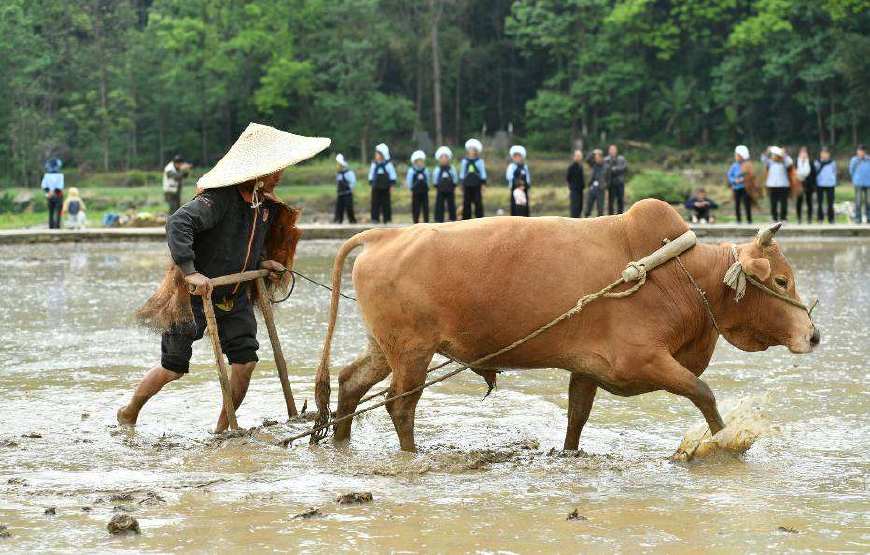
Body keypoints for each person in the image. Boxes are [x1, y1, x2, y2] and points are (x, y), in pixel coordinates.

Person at [119, 123, 328, 431]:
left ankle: (223, 429)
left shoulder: (262, 206)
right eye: (275, 170)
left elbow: (243, 244)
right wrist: (191, 272)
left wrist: (263, 262)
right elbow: (178, 223)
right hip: (194, 295)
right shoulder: (219, 200)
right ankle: (129, 412)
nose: (279, 176)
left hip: (233, 294)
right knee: (173, 368)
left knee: (246, 362)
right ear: (257, 172)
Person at [761, 146, 793, 221]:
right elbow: (763, 159)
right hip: (772, 185)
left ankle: (783, 218)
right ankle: (774, 217)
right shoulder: (770, 163)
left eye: (775, 155)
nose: (773, 156)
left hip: (783, 185)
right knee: (773, 202)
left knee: (783, 203)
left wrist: (784, 154)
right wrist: (767, 152)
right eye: (773, 155)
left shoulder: (784, 162)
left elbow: (790, 162)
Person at [368, 143, 397, 223]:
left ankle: (387, 219)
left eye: (377, 154)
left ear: (382, 155)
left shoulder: (388, 164)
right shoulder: (374, 164)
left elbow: (392, 174)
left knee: (386, 203)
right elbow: (371, 174)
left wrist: (392, 185)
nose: (376, 155)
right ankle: (375, 218)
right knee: (375, 203)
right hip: (376, 187)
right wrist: (371, 182)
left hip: (385, 187)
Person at [459, 138, 487, 219]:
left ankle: (480, 219)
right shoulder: (464, 161)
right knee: (466, 203)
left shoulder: (480, 161)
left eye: (473, 149)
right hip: (467, 185)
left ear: (476, 151)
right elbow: (462, 173)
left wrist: (483, 184)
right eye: (470, 149)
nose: (471, 151)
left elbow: (483, 173)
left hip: (477, 185)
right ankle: (466, 219)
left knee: (478, 202)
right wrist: (461, 183)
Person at [727, 145, 754, 224]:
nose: (736, 157)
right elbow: (729, 175)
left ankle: (749, 220)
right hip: (736, 188)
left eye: (737, 155)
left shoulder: (747, 165)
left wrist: (743, 179)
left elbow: (751, 175)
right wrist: (734, 180)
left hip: (745, 188)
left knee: (747, 203)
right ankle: (738, 220)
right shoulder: (734, 165)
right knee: (737, 204)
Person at [432, 146, 458, 222]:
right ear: (439, 159)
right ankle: (438, 220)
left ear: (448, 158)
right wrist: (436, 185)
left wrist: (454, 185)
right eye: (442, 157)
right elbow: (435, 178)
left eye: (445, 157)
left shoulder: (452, 168)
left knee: (451, 204)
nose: (444, 159)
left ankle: (453, 219)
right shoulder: (437, 169)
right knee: (439, 205)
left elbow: (455, 177)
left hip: (450, 189)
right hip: (440, 189)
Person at [506, 145, 531, 217]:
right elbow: (509, 177)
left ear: (522, 157)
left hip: (524, 190)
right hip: (515, 190)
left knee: (524, 207)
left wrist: (526, 186)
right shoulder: (511, 167)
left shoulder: (525, 167)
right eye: (515, 156)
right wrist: (518, 185)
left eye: (518, 156)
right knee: (515, 208)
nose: (517, 158)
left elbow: (527, 178)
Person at [795, 146, 817, 224]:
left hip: (809, 184)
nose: (803, 154)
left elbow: (814, 174)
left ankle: (809, 218)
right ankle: (799, 218)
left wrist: (814, 186)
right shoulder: (796, 162)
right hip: (799, 184)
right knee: (799, 202)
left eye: (805, 153)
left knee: (809, 201)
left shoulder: (810, 162)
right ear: (799, 154)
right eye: (802, 153)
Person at [407, 150, 430, 223]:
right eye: (418, 161)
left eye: (421, 161)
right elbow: (409, 181)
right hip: (415, 192)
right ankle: (415, 221)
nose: (420, 163)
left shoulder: (425, 170)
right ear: (415, 162)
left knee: (425, 207)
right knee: (416, 207)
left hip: (424, 192)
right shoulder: (411, 171)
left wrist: (428, 187)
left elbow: (428, 180)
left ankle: (426, 221)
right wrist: (411, 188)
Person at [815, 146, 837, 224]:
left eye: (826, 153)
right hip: (820, 184)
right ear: (820, 154)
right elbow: (815, 173)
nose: (824, 155)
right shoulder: (817, 162)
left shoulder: (832, 162)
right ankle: (820, 218)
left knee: (830, 203)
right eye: (823, 153)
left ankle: (831, 219)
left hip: (830, 184)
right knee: (820, 203)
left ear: (829, 154)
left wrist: (833, 180)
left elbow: (834, 172)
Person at [41, 157, 64, 229]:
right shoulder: (60, 175)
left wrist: (49, 192)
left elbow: (44, 186)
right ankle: (57, 226)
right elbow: (60, 186)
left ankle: (51, 227)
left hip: (49, 196)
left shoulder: (46, 175)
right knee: (58, 212)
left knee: (51, 212)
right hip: (58, 195)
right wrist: (54, 192)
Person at [604, 144, 627, 215]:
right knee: (611, 201)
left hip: (620, 183)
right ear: (609, 151)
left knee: (620, 200)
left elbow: (624, 168)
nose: (612, 151)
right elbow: (606, 170)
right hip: (611, 183)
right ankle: (610, 216)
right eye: (611, 150)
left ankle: (620, 215)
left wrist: (614, 169)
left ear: (616, 150)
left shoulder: (621, 159)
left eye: (614, 149)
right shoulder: (606, 160)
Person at [334, 154, 357, 224]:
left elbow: (353, 182)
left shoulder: (349, 173)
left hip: (347, 193)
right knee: (339, 208)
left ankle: (352, 221)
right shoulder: (338, 173)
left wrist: (351, 189)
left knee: (349, 208)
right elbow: (338, 183)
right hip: (340, 193)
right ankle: (338, 220)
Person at [849, 144, 870, 223]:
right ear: (857, 151)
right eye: (859, 151)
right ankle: (858, 218)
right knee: (858, 201)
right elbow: (851, 170)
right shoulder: (854, 160)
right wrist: (855, 179)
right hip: (858, 183)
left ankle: (869, 217)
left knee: (868, 201)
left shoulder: (868, 159)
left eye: (862, 151)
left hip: (868, 183)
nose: (861, 152)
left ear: (865, 152)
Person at [584, 149, 606, 218]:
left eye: (597, 158)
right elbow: (587, 159)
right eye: (595, 158)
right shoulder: (593, 164)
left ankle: (600, 223)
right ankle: (586, 220)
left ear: (601, 158)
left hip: (600, 189)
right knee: (588, 208)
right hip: (592, 188)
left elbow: (609, 178)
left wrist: (605, 186)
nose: (596, 159)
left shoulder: (606, 166)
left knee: (600, 209)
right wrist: (593, 152)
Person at [566, 149, 585, 218]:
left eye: (580, 156)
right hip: (574, 190)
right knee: (574, 208)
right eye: (577, 156)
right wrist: (571, 187)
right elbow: (568, 178)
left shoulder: (581, 166)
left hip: (580, 190)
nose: (578, 157)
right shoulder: (571, 167)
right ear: (574, 157)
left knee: (580, 207)